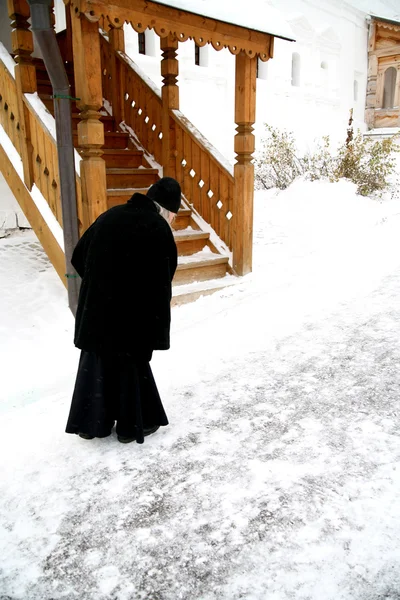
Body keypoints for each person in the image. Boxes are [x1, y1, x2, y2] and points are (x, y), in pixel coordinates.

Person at [65, 177, 180, 444]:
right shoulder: (158, 228)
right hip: (132, 318)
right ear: (165, 209)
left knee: (95, 366)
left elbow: (78, 256)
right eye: (174, 215)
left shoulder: (109, 215)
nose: (173, 221)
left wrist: (101, 285)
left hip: (96, 314)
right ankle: (131, 426)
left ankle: (92, 423)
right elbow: (163, 279)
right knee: (130, 368)